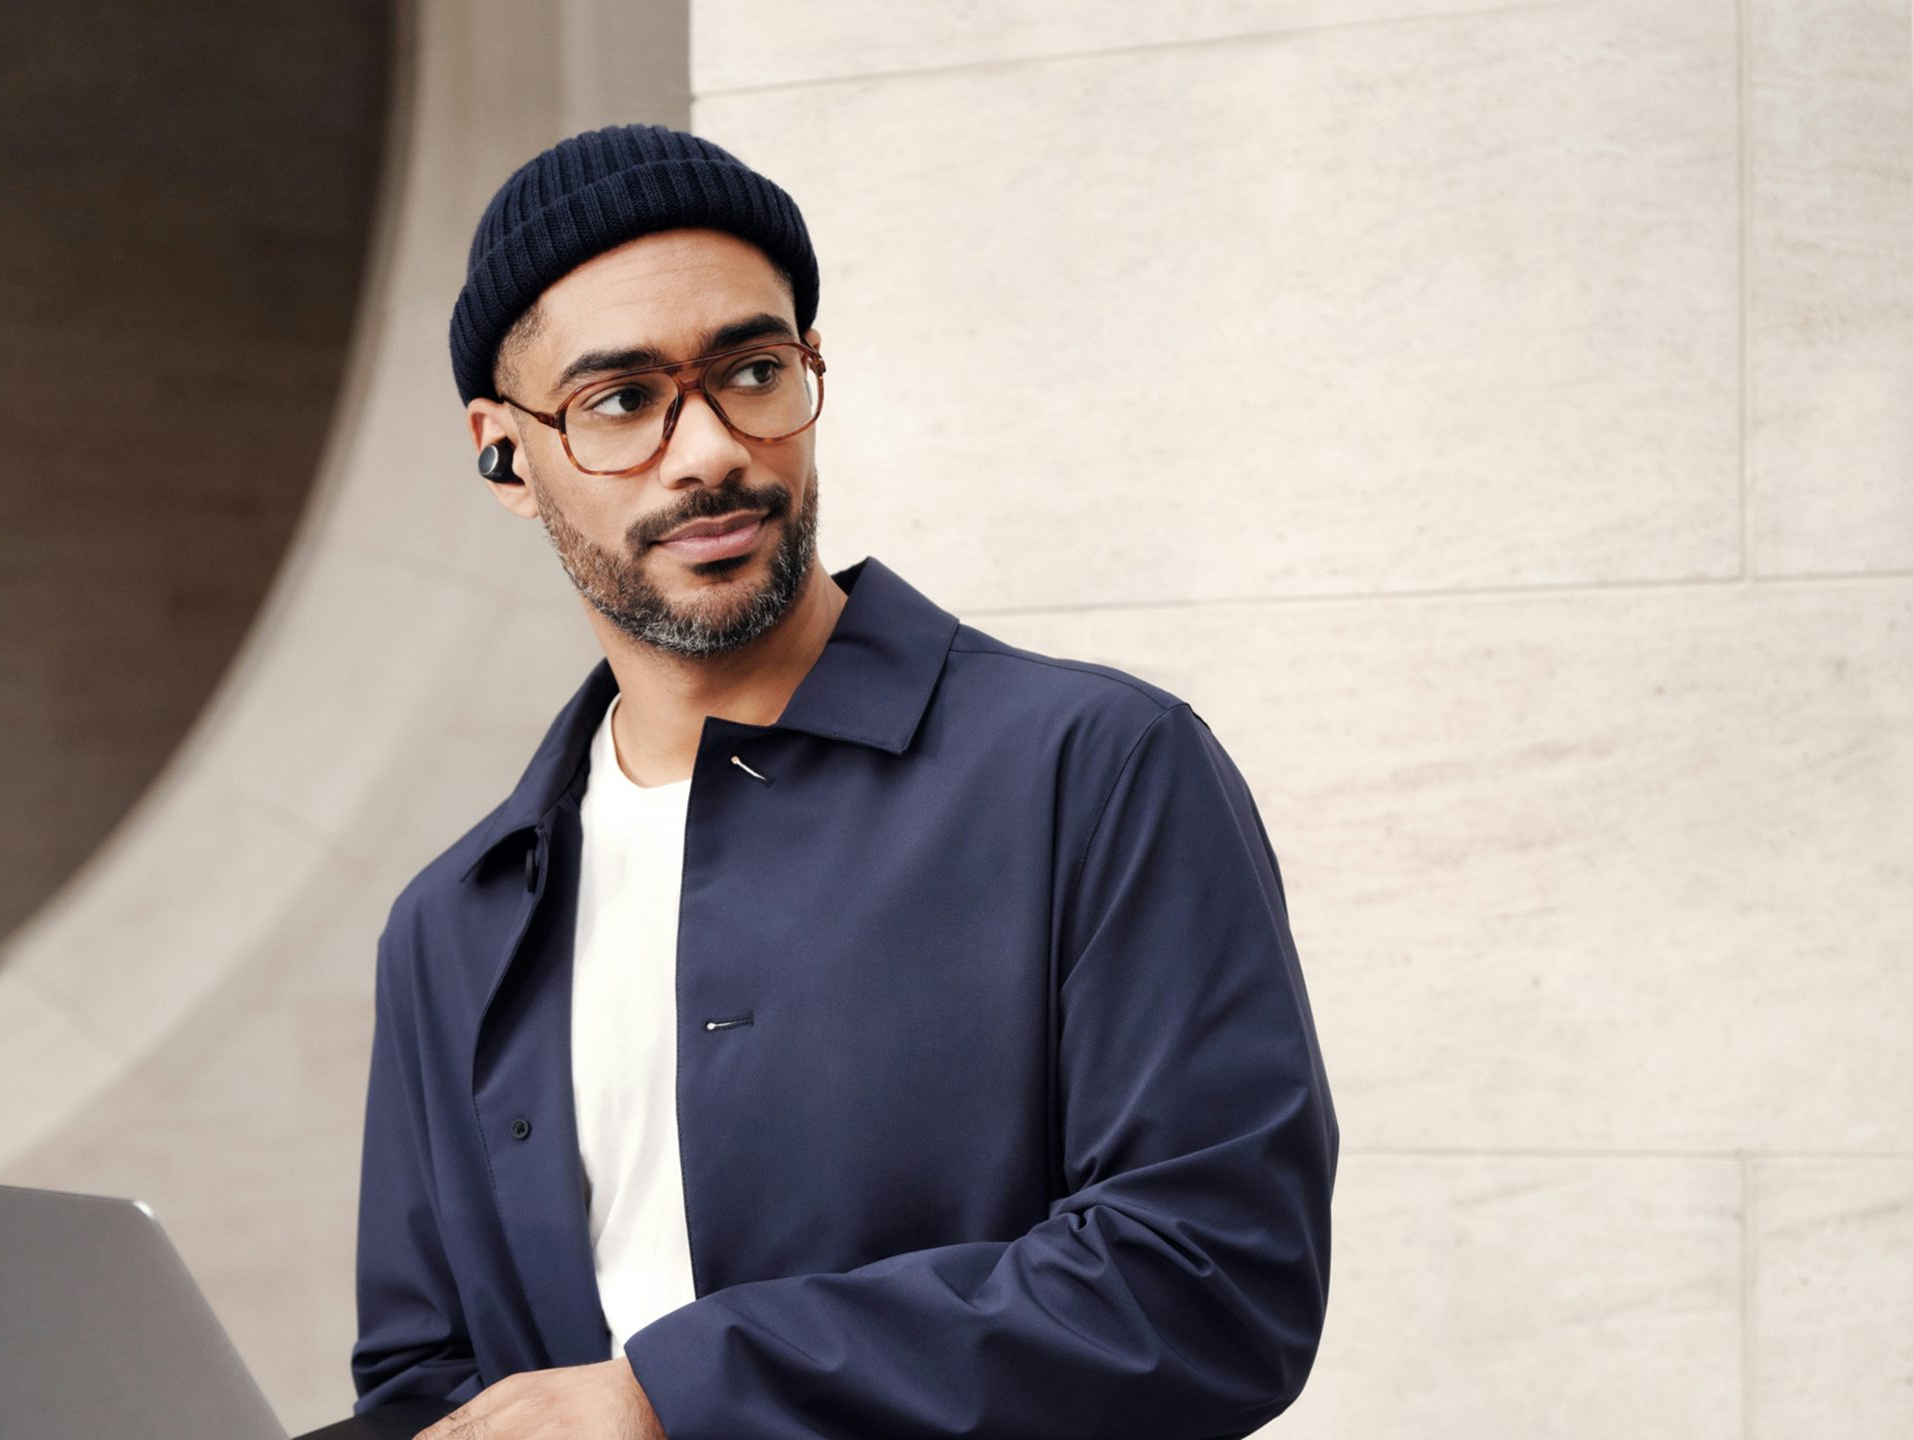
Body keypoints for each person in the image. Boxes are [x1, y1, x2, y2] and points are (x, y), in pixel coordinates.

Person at [350, 123, 1339, 1440]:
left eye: (752, 371)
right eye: (622, 401)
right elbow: (431, 1381)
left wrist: (671, 1402)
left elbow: (1213, 1283)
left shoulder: (1096, 769)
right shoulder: (454, 921)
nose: (705, 451)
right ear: (507, 454)